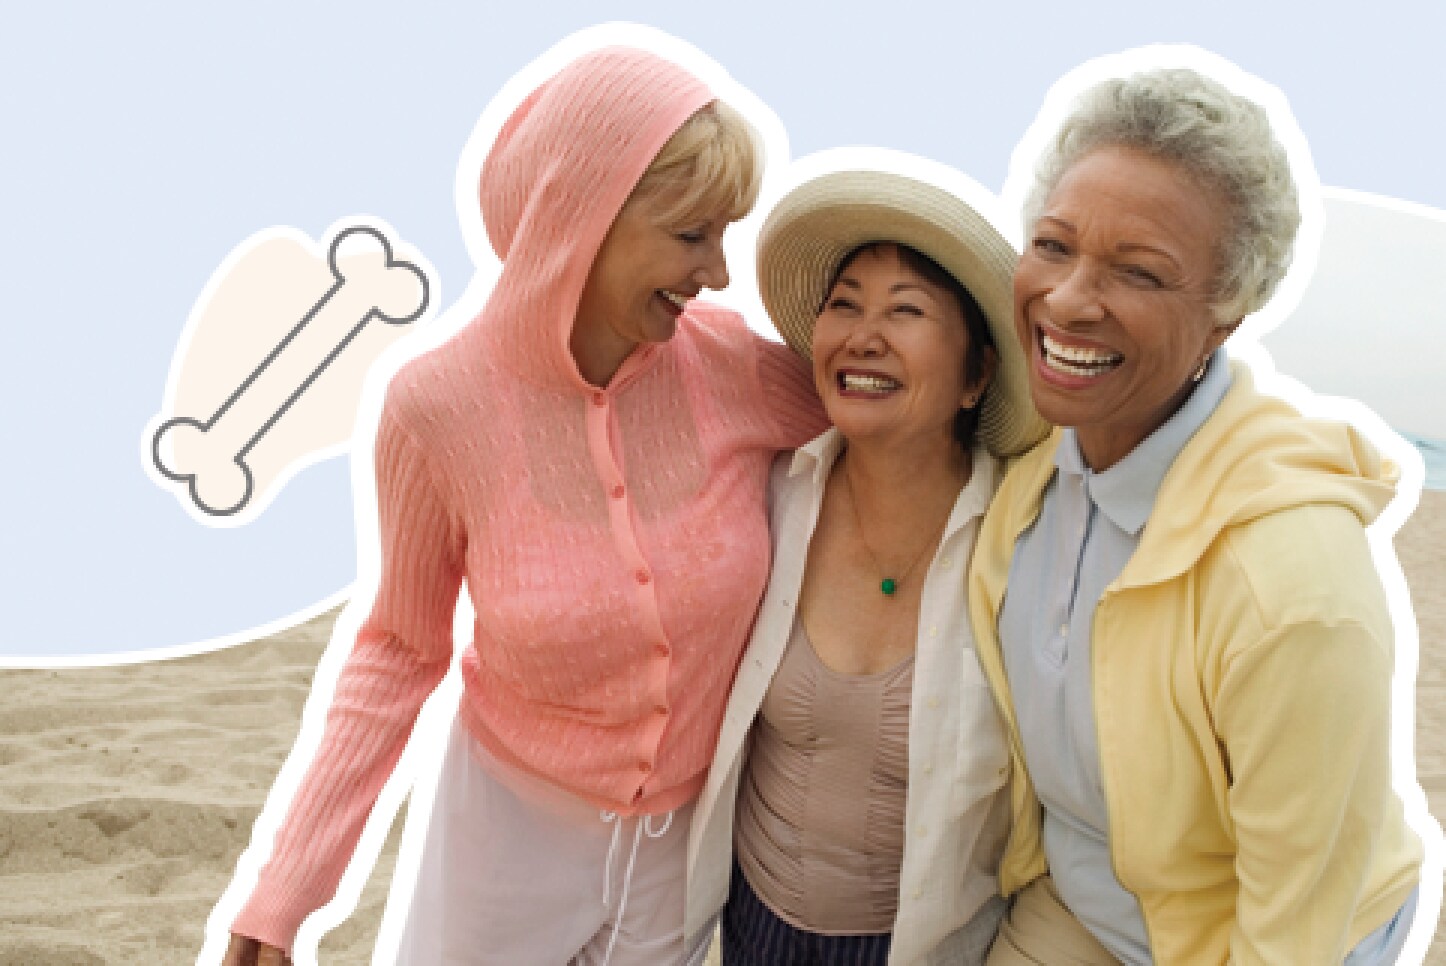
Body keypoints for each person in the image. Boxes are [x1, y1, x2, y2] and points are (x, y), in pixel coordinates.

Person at [220, 45, 826, 966]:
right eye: (691, 234)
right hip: (501, 842)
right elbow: (398, 651)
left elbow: (902, 417)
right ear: (580, 218)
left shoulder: (734, 366)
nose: (716, 272)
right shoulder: (436, 408)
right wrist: (287, 890)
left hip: (680, 859)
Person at [970, 67, 1423, 964]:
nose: (1066, 300)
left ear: (1226, 314)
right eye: (1054, 246)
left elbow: (1296, 922)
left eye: (1138, 272)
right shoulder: (1031, 461)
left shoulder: (1292, 584)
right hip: (1084, 896)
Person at [684, 168, 1050, 965]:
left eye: (905, 311)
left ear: (977, 375)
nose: (863, 335)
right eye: (845, 304)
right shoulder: (771, 495)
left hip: (920, 946)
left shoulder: (1022, 543)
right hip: (751, 924)